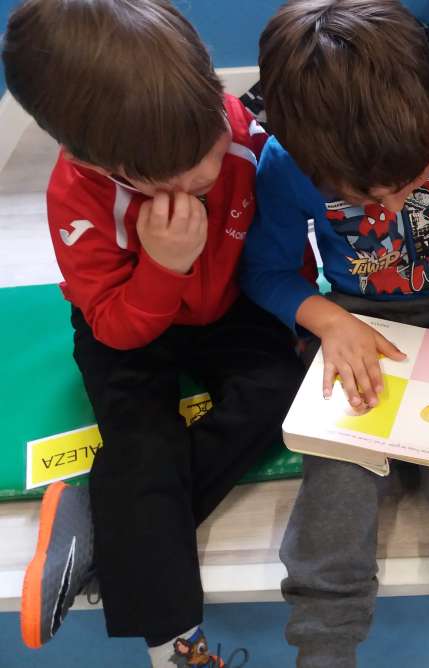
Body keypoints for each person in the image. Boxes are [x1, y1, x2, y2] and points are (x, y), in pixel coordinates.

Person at [2, 1, 311, 664]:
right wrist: (162, 268)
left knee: (286, 388)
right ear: (93, 159)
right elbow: (115, 327)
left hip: (230, 305)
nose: (201, 173)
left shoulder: (232, 130)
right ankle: (178, 647)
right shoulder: (77, 199)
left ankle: (103, 521)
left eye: (204, 146)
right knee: (144, 439)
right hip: (126, 323)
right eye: (165, 174)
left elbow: (278, 233)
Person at [242, 1, 429, 665]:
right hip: (356, 328)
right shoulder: (286, 163)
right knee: (336, 491)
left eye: (407, 183)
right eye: (370, 198)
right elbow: (264, 270)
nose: (396, 206)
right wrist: (327, 319)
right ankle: (323, 650)